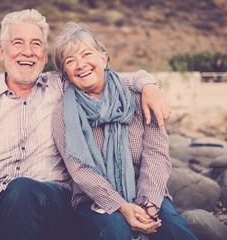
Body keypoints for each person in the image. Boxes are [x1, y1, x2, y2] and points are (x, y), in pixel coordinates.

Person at [0, 9, 170, 240]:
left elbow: (101, 74)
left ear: (44, 56)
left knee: (22, 189)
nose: (27, 51)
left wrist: (148, 83)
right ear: (2, 51)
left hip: (54, 204)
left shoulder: (61, 85)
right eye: (17, 43)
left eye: (36, 44)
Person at [51, 22, 197, 240]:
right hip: (94, 200)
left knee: (175, 230)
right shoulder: (64, 113)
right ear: (66, 73)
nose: (80, 64)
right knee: (117, 231)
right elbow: (79, 170)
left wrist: (148, 202)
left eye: (86, 54)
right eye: (70, 61)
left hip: (147, 191)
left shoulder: (140, 97)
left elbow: (157, 154)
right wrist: (122, 206)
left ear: (104, 57)